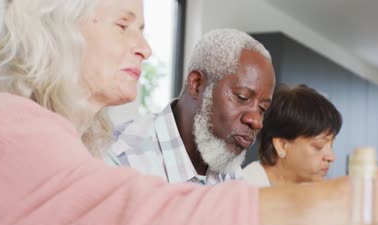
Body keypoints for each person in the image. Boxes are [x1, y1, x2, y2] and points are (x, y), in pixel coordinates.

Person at [0, 0, 378, 225]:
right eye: (123, 24)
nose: (146, 47)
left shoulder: (223, 170)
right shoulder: (11, 133)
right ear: (53, 26)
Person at [108, 28, 274, 185]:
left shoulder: (230, 171)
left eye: (262, 109)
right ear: (197, 84)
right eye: (242, 97)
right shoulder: (120, 158)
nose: (256, 121)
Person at [243, 84, 342, 187]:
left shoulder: (313, 190)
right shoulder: (243, 190)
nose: (331, 157)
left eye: (331, 145)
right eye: (318, 146)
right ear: (282, 145)